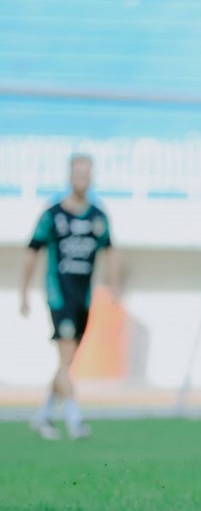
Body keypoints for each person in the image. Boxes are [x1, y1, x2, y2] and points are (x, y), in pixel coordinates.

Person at [19, 154, 119, 440]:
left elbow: (110, 249)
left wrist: (113, 284)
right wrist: (24, 292)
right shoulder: (53, 215)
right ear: (70, 176)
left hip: (83, 299)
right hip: (58, 295)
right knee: (65, 355)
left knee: (67, 362)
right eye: (77, 173)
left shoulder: (98, 217)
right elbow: (31, 250)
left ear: (91, 178)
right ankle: (75, 419)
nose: (82, 179)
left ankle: (44, 414)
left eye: (86, 174)